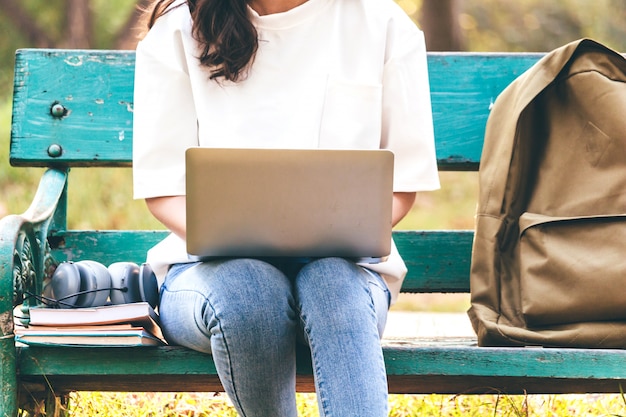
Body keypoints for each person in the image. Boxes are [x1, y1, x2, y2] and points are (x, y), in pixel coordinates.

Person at [132, 0, 440, 415]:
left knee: (331, 283)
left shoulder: (381, 22)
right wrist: (243, 241)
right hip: (209, 277)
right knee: (250, 290)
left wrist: (334, 232)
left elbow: (402, 182)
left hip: (348, 274)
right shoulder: (177, 30)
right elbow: (165, 188)